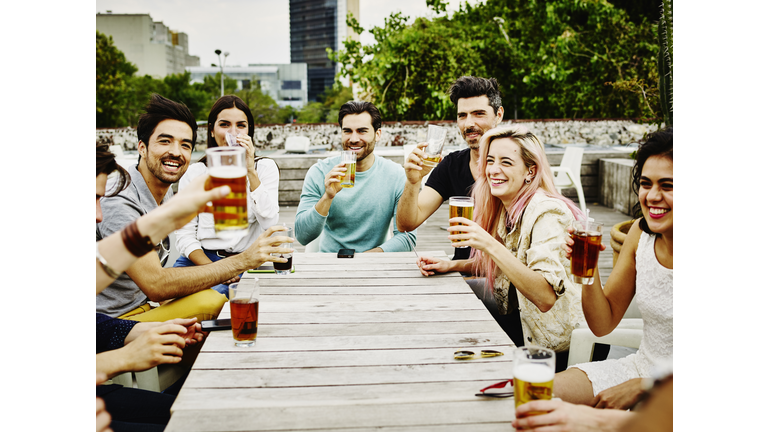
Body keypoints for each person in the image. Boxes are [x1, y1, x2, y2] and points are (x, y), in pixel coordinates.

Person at [96, 94, 292, 322]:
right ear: (142, 147)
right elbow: (156, 283)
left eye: (185, 145)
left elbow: (270, 222)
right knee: (216, 304)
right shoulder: (119, 195)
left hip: (145, 304)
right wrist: (242, 262)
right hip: (113, 320)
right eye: (165, 141)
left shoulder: (162, 184)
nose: (177, 153)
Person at [417, 126, 584, 371]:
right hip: (522, 320)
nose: (494, 169)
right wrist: (452, 265)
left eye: (506, 162)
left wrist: (488, 243)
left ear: (531, 171)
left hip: (556, 344)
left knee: (458, 332)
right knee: (443, 305)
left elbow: (545, 297)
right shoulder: (508, 207)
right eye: (490, 161)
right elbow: (507, 265)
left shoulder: (548, 212)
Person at [553, 128, 673, 410]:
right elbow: (602, 324)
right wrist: (589, 266)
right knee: (534, 392)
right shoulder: (639, 237)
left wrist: (649, 386)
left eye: (668, 185)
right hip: (639, 369)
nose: (652, 196)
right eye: (646, 183)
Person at [173, 95, 280, 294]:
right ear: (212, 130)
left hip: (247, 261)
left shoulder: (264, 168)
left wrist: (250, 171)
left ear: (249, 131)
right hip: (201, 261)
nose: (233, 132)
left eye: (241, 125)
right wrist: (216, 270)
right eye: (224, 124)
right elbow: (185, 235)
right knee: (171, 302)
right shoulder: (195, 173)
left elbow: (270, 223)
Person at [397, 76, 506, 261]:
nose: (469, 124)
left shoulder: (514, 168)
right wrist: (413, 182)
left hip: (504, 280)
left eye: (479, 113)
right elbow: (407, 224)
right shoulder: (451, 165)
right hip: (463, 278)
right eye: (462, 115)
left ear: (499, 115)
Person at [295, 101, 416, 252]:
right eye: (347, 131)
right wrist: (327, 197)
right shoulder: (320, 172)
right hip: (330, 263)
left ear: (377, 135)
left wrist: (365, 259)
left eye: (362, 131)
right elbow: (302, 236)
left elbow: (407, 237)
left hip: (376, 263)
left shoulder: (396, 175)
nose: (353, 139)